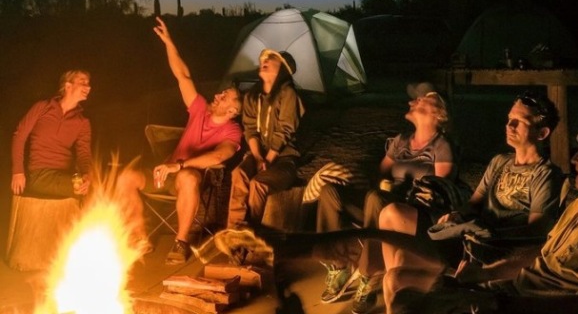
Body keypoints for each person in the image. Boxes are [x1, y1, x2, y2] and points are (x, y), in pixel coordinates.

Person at [388, 119, 578, 314]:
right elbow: (541, 251)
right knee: (400, 291)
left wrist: (497, 303)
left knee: (410, 307)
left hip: (525, 305)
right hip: (509, 288)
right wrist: (486, 273)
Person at [380, 90, 564, 307]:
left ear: (542, 133)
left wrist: (485, 234)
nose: (509, 126)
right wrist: (458, 215)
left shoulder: (546, 174)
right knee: (391, 215)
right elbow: (474, 202)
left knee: (396, 273)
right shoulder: (500, 162)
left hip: (490, 251)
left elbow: (536, 229)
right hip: (465, 239)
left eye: (519, 122)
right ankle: (411, 300)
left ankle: (416, 298)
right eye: (509, 119)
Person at [315, 87, 463, 314]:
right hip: (384, 197)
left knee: (375, 199)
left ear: (438, 114)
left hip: (409, 208)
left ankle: (367, 275)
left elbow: (440, 189)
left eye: (427, 100)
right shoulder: (401, 141)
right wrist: (383, 184)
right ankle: (338, 265)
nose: (418, 101)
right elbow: (381, 173)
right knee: (329, 192)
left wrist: (405, 189)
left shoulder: (441, 146)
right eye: (419, 99)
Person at [115, 17, 242, 265]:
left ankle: (181, 241)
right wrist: (168, 42)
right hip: (166, 174)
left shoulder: (232, 131)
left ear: (231, 111)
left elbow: (218, 157)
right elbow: (183, 76)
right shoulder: (199, 109)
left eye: (224, 96)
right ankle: (141, 238)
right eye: (220, 93)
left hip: (191, 179)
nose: (217, 95)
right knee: (125, 177)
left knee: (187, 176)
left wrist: (180, 165)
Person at [226, 48, 304, 230]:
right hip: (258, 154)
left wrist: (268, 160)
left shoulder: (288, 94)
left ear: (282, 68)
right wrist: (258, 157)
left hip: (284, 160)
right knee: (239, 174)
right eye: (263, 59)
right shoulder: (253, 95)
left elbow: (285, 130)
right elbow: (250, 129)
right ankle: (234, 231)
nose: (265, 61)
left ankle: (251, 232)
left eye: (271, 59)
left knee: (258, 184)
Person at [11, 69, 92, 199]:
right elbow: (19, 136)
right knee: (83, 191)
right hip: (40, 174)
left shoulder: (82, 122)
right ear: (68, 86)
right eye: (83, 82)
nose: (88, 87)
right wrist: (18, 172)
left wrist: (86, 175)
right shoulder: (42, 108)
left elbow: (84, 154)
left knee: (93, 187)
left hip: (66, 174)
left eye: (88, 83)